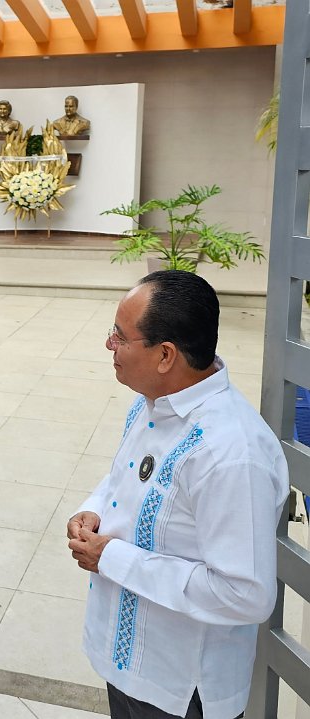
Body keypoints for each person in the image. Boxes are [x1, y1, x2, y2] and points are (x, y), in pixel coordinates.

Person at [67, 270, 288, 719]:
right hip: (129, 665)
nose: (109, 344)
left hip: (180, 688)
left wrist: (111, 557)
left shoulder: (229, 454)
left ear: (165, 355)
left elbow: (244, 593)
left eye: (120, 336)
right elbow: (126, 478)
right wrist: (93, 509)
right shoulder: (151, 403)